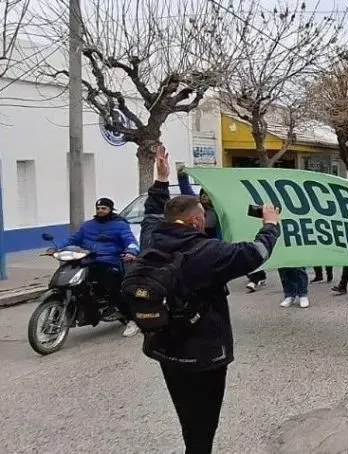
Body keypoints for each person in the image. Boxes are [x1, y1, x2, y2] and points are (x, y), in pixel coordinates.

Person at [140, 145, 281, 453]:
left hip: (164, 348)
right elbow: (256, 253)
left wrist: (161, 180)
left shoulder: (151, 238)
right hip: (204, 356)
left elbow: (152, 212)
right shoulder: (208, 252)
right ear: (195, 222)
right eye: (202, 217)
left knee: (186, 417)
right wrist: (270, 224)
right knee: (203, 425)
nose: (205, 221)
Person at [49, 197, 141, 337]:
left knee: (113, 290)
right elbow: (73, 239)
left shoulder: (120, 225)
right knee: (72, 278)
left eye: (104, 208)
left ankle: (131, 320)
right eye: (98, 208)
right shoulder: (88, 225)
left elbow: (130, 241)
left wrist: (131, 252)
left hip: (109, 261)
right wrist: (56, 248)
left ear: (110, 209)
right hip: (87, 259)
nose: (100, 211)